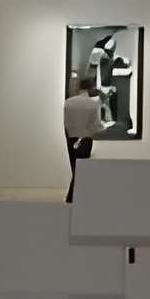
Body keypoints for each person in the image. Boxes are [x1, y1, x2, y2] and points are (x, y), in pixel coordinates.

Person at [63, 68, 106, 200]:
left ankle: (73, 198)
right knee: (81, 170)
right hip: (85, 139)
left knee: (75, 169)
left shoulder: (68, 103)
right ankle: (73, 198)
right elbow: (96, 127)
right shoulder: (92, 104)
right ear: (91, 88)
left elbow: (65, 123)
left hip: (70, 138)